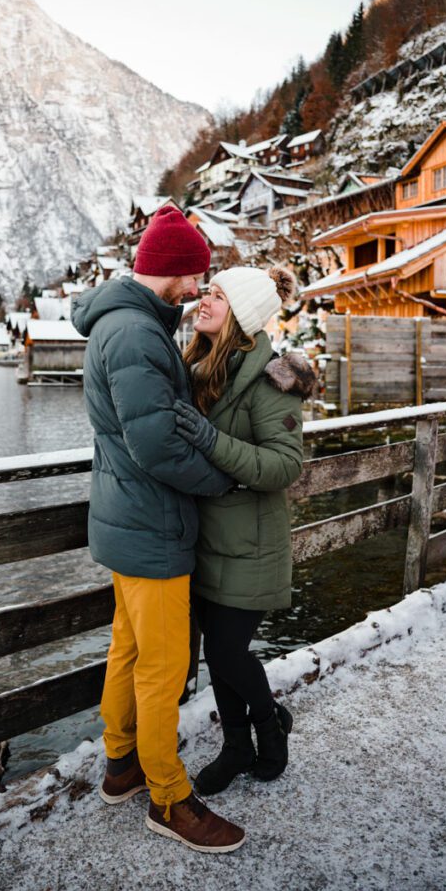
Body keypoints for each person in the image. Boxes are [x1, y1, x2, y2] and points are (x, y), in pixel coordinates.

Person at [72, 205, 246, 854]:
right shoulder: (137, 337)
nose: (200, 285)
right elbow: (156, 448)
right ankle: (168, 799)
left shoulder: (127, 325)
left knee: (129, 651)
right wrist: (221, 480)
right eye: (195, 273)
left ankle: (120, 767)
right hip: (151, 528)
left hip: (126, 522)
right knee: (163, 669)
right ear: (171, 274)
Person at [173, 265, 316, 796]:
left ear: (242, 314)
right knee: (217, 652)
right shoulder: (201, 365)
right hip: (208, 540)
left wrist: (211, 441)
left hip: (251, 545)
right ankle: (237, 746)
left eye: (216, 295)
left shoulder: (270, 379)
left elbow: (284, 467)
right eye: (206, 291)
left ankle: (268, 730)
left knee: (229, 652)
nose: (204, 300)